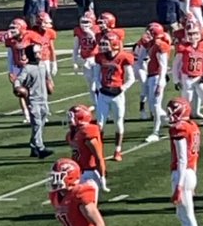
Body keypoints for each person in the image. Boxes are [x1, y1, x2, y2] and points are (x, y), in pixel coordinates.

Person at [66, 105, 119, 226]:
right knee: (85, 214)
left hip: (89, 175)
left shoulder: (88, 132)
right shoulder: (75, 133)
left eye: (72, 116)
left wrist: (102, 177)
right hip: (79, 175)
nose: (69, 119)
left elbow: (98, 156)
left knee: (88, 214)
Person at [167, 97, 201, 226]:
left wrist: (179, 186)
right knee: (183, 216)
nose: (170, 114)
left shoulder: (179, 129)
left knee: (188, 217)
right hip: (189, 173)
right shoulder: (192, 126)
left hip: (182, 173)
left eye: (172, 111)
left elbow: (182, 159)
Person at [93, 31, 135, 162]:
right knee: (100, 124)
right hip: (104, 93)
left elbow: (131, 78)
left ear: (115, 44)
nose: (103, 46)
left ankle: (118, 150)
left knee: (118, 123)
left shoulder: (123, 57)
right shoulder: (100, 57)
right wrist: (100, 87)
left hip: (117, 95)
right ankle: (99, 151)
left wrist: (122, 88)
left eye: (106, 44)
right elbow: (96, 75)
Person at [14, 43, 54, 159]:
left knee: (41, 124)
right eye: (36, 52)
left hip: (44, 99)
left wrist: (50, 84)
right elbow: (19, 80)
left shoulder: (42, 65)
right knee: (36, 124)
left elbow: (48, 78)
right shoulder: (27, 68)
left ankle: (33, 146)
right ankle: (40, 148)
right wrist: (17, 88)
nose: (39, 54)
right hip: (33, 100)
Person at [174, 18, 203, 123]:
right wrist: (176, 80)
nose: (193, 36)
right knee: (187, 102)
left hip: (200, 77)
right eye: (190, 34)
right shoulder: (183, 47)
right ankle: (184, 122)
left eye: (195, 34)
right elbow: (176, 65)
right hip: (187, 77)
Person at [144, 22, 171, 143]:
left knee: (155, 105)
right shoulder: (153, 44)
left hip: (157, 77)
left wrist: (160, 82)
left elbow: (163, 66)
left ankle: (156, 131)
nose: (147, 34)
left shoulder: (161, 45)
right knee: (153, 105)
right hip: (151, 76)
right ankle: (170, 120)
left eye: (149, 32)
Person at [72, 11, 100, 100]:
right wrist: (74, 61)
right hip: (85, 59)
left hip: (96, 59)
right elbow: (76, 47)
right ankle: (95, 102)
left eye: (87, 22)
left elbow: (99, 43)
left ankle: (101, 100)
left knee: (96, 82)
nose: (84, 24)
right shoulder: (78, 31)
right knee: (90, 83)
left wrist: (91, 33)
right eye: (83, 22)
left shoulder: (97, 29)